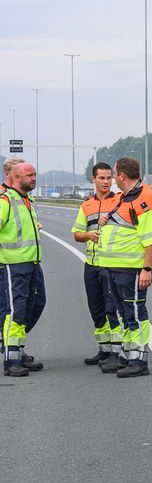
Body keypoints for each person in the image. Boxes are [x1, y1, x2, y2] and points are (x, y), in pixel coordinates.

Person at [96, 157, 152, 378]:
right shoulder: (126, 198)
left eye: (114, 174)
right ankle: (127, 355)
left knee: (135, 314)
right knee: (125, 314)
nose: (113, 178)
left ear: (122, 175)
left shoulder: (145, 199)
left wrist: (147, 269)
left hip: (132, 268)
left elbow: (151, 239)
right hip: (115, 267)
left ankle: (139, 360)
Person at [72, 162, 123, 366]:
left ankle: (117, 352)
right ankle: (104, 350)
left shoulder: (119, 201)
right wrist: (88, 235)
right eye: (101, 178)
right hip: (91, 265)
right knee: (96, 309)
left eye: (109, 178)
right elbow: (77, 234)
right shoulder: (86, 205)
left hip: (110, 264)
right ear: (93, 179)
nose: (106, 181)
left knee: (112, 308)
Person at [1, 159, 47, 377]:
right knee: (15, 311)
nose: (34, 178)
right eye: (29, 175)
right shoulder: (6, 200)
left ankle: (17, 350)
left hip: (32, 262)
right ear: (16, 177)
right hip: (14, 264)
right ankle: (11, 359)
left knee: (36, 302)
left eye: (35, 175)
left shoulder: (28, 199)